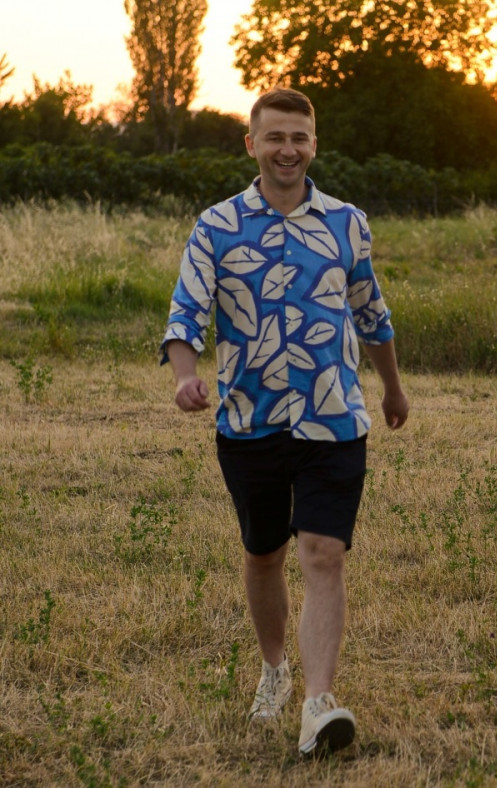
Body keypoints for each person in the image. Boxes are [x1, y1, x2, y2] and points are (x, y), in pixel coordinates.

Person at [161, 87, 409, 757]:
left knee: (324, 553)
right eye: (275, 137)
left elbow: (371, 311)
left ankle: (318, 704)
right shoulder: (216, 226)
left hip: (334, 416)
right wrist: (184, 375)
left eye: (299, 137)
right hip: (250, 420)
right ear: (252, 144)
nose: (288, 150)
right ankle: (275, 669)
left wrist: (392, 388)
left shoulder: (348, 223)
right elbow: (186, 313)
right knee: (264, 553)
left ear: (314, 144)